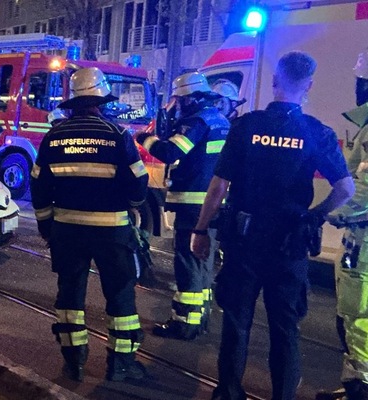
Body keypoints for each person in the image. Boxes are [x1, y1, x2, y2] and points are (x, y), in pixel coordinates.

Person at [190, 51, 355, 400]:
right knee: (285, 330)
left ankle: (229, 393)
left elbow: (218, 186)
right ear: (308, 85)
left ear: (276, 81)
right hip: (289, 246)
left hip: (244, 243)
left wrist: (200, 230)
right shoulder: (316, 132)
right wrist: (313, 216)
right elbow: (345, 188)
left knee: (236, 325)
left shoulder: (246, 126)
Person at [30, 67, 150, 382]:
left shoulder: (54, 136)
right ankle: (119, 364)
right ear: (101, 101)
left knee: (70, 294)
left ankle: (74, 361)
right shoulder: (117, 134)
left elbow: (39, 186)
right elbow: (139, 182)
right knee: (120, 293)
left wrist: (46, 226)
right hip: (112, 231)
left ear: (74, 102)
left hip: (67, 230)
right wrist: (132, 205)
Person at [135, 71, 230, 340]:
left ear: (191, 98)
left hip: (192, 204)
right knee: (204, 262)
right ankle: (200, 318)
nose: (178, 105)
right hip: (213, 204)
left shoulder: (196, 122)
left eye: (180, 100)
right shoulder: (221, 120)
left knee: (187, 263)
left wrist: (145, 138)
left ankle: (184, 323)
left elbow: (170, 152)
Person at [317, 51, 368, 400]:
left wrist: (329, 212)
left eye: (361, 81)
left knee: (356, 314)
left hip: (362, 243)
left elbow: (363, 186)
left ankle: (359, 386)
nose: (357, 88)